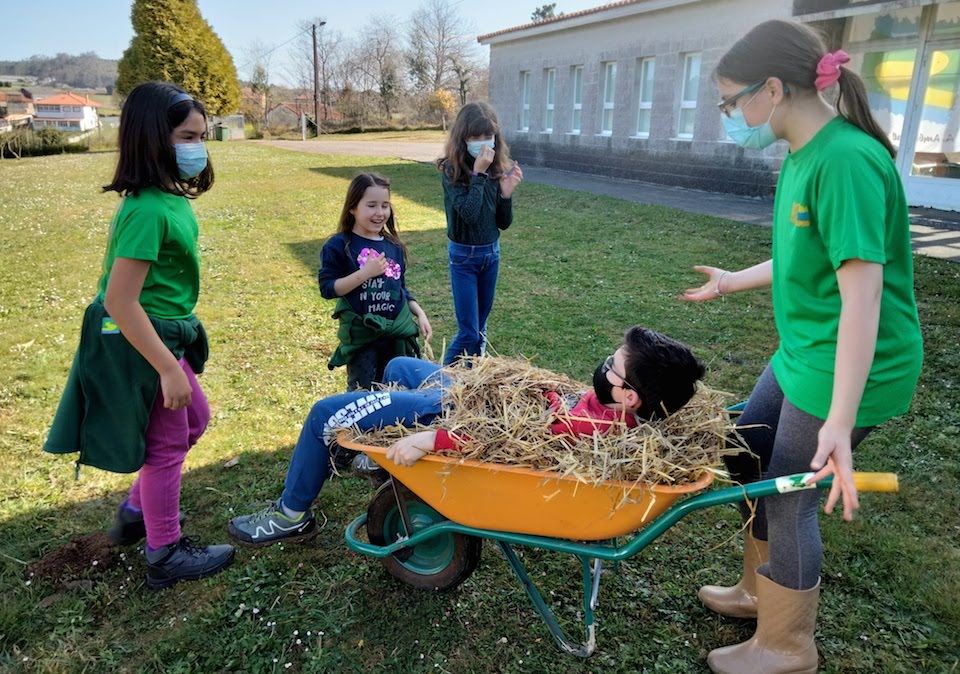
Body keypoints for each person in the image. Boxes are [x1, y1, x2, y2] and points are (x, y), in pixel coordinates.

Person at [680, 20, 923, 674]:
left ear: (774, 89)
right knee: (750, 449)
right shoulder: (802, 154)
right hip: (805, 351)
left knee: (790, 495)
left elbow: (863, 298)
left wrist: (840, 421)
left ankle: (786, 645)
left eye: (732, 102)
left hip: (849, 365)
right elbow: (800, 254)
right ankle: (760, 591)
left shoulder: (844, 162)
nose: (730, 116)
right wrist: (734, 280)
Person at [227, 326, 705, 546]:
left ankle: (291, 515)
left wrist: (429, 440)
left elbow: (496, 439)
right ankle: (380, 459)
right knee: (399, 366)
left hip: (458, 413)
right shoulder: (613, 410)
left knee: (324, 415)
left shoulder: (592, 426)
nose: (604, 366)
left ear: (629, 398)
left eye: (612, 367)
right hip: (477, 394)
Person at [44, 81, 235, 589]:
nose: (198, 147)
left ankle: (134, 511)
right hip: (141, 342)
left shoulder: (169, 200)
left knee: (195, 418)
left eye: (202, 136)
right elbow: (119, 301)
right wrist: (168, 368)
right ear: (153, 138)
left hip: (163, 333)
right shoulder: (147, 210)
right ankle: (164, 552)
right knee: (169, 444)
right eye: (187, 136)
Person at [319, 173, 433, 392]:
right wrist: (365, 273)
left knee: (396, 391)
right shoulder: (339, 245)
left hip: (394, 336)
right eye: (371, 205)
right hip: (364, 338)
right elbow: (327, 288)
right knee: (363, 395)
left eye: (385, 205)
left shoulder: (394, 247)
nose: (380, 213)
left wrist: (419, 313)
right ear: (353, 207)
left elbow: (400, 289)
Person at [437, 102, 523, 366]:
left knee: (480, 329)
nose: (483, 142)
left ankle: (472, 385)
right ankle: (437, 384)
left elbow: (502, 223)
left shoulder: (496, 170)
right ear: (463, 138)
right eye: (475, 136)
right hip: (464, 258)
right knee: (468, 332)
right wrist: (478, 174)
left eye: (488, 136)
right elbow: (469, 214)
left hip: (490, 255)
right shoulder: (451, 170)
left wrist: (505, 195)